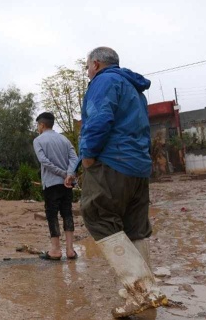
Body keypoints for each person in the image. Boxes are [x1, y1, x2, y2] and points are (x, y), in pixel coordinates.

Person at [80, 47, 167, 318]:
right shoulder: (134, 88)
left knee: (96, 213)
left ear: (95, 64)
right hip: (138, 168)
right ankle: (142, 298)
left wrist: (88, 156)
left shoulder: (103, 81)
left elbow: (99, 119)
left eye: (87, 67)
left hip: (113, 162)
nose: (87, 72)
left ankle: (142, 293)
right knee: (135, 228)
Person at [32, 112, 78, 261]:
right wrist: (69, 175)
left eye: (38, 125)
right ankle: (70, 250)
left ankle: (55, 250)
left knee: (52, 215)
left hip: (51, 183)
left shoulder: (38, 140)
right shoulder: (64, 139)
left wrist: (62, 174)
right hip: (67, 184)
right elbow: (74, 158)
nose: (38, 128)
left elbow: (44, 161)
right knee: (67, 213)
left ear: (42, 125)